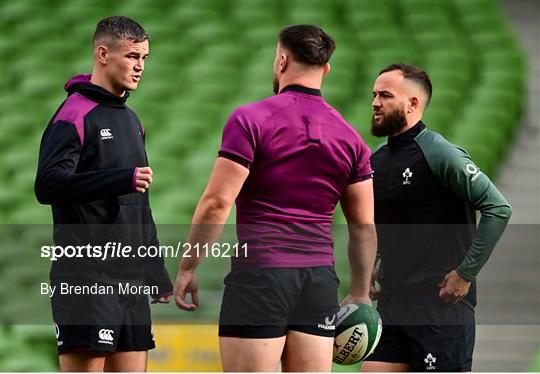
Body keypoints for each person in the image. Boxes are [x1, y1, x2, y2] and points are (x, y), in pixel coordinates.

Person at [173, 24, 377, 372]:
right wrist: (359, 292)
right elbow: (363, 226)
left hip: (261, 277)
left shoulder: (251, 119)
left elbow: (216, 202)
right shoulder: (350, 138)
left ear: (281, 61)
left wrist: (188, 266)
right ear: (326, 69)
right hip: (319, 282)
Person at [35, 16, 172, 372]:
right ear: (102, 54)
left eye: (144, 58)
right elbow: (47, 185)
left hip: (131, 280)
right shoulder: (74, 114)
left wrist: (155, 270)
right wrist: (119, 179)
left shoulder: (131, 120)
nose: (140, 66)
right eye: (131, 56)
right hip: (85, 277)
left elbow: (139, 202)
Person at [363, 63, 512, 372]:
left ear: (413, 103)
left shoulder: (440, 153)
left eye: (385, 95)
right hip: (392, 307)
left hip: (439, 309)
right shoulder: (376, 161)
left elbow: (498, 208)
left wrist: (465, 274)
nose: (375, 102)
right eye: (374, 94)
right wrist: (373, 266)